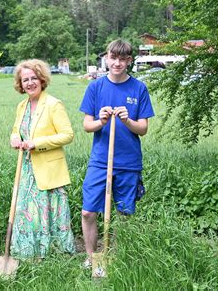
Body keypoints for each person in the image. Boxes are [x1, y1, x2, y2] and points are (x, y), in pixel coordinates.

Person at [79, 39, 155, 267]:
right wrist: (101, 120)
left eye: (122, 59)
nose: (117, 63)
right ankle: (91, 258)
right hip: (100, 161)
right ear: (107, 58)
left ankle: (116, 258)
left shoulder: (139, 88)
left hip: (128, 162)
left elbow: (142, 129)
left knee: (123, 215)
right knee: (88, 212)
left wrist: (127, 120)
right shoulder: (95, 87)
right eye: (113, 58)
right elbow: (86, 125)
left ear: (129, 61)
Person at [9, 59, 75, 259]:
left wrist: (37, 143)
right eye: (25, 80)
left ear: (42, 79)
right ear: (20, 84)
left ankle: (55, 254)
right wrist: (14, 138)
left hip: (48, 170)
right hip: (27, 170)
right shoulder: (22, 105)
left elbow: (67, 135)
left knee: (49, 213)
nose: (29, 83)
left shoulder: (53, 104)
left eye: (33, 78)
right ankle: (28, 254)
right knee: (27, 213)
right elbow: (16, 130)